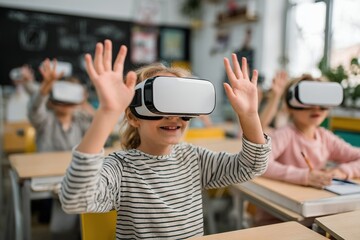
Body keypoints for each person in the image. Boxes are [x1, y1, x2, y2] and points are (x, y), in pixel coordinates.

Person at [59, 39, 271, 239]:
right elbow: (75, 200)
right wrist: (107, 112)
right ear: (133, 117)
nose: (173, 116)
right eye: (160, 104)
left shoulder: (194, 159)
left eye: (180, 105)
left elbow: (252, 166)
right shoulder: (121, 169)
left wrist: (250, 115)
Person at [254, 74, 360, 226]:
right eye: (308, 100)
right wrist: (304, 176)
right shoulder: (285, 134)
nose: (316, 107)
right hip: (279, 219)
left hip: (314, 216)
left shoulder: (326, 138)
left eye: (321, 100)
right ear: (290, 106)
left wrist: (343, 171)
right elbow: (261, 164)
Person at [27, 58, 93, 239]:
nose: (65, 103)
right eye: (62, 96)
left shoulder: (80, 120)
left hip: (75, 177)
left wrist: (82, 101)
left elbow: (99, 124)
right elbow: (34, 111)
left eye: (70, 98)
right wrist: (45, 88)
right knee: (62, 226)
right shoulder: (45, 120)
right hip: (48, 178)